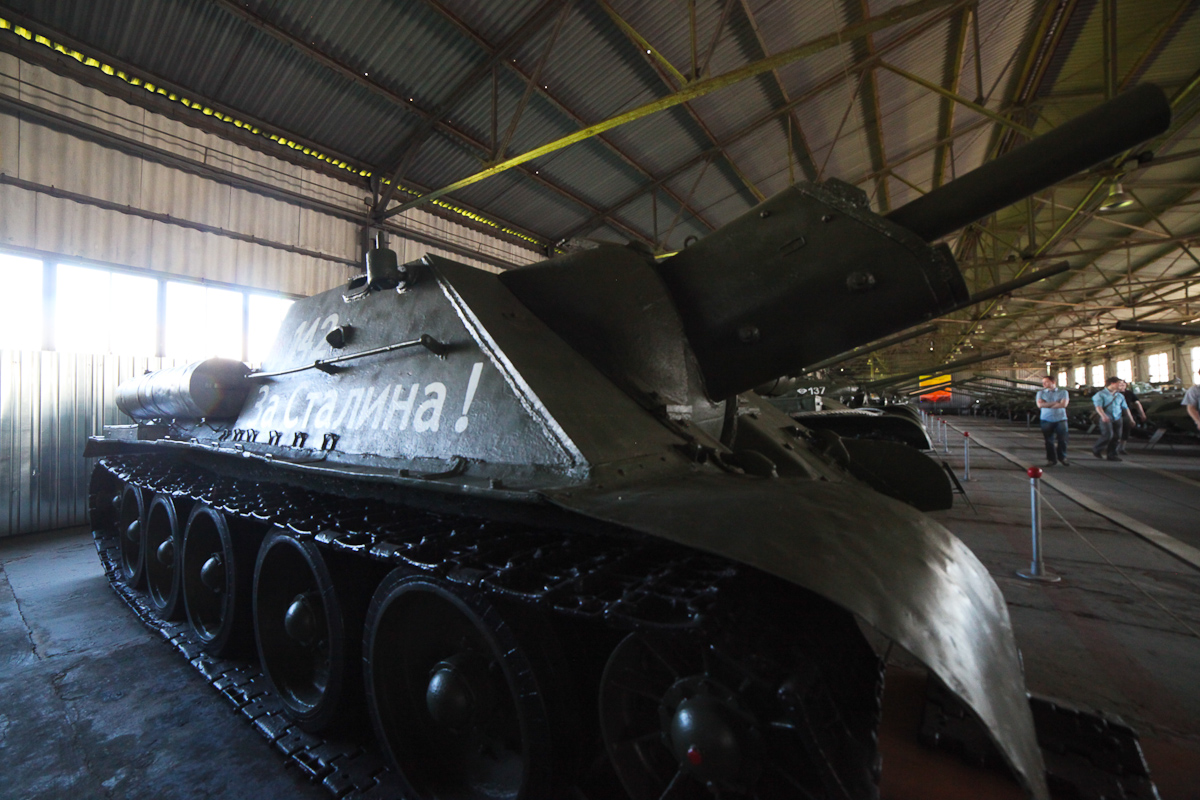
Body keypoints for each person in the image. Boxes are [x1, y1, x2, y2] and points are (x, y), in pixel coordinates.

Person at [1035, 375, 1070, 466]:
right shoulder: (1040, 393)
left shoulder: (1063, 392)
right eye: (1043, 382)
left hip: (1061, 419)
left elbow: (1063, 405)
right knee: (1049, 441)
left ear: (1053, 382)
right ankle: (1051, 459)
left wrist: (1047, 404)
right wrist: (1056, 403)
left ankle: (1062, 457)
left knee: (1063, 440)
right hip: (1046, 419)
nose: (1044, 384)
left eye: (1046, 382)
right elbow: (1040, 405)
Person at [1092, 376, 1129, 461]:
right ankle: (1097, 449)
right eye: (1119, 383)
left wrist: (1130, 418)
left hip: (1117, 418)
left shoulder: (1119, 395)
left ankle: (1112, 454)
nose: (1121, 385)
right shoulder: (1100, 394)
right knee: (1108, 435)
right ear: (1112, 384)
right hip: (1106, 418)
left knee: (1117, 437)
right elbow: (1098, 407)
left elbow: (1125, 408)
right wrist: (1103, 416)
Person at [1118, 379, 1144, 454]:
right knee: (1116, 432)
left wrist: (1142, 414)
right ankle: (1115, 448)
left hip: (1126, 415)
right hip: (1115, 415)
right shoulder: (1113, 394)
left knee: (1126, 432)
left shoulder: (1129, 393)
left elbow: (1137, 403)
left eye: (1123, 384)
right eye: (1120, 385)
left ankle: (1121, 448)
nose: (1122, 386)